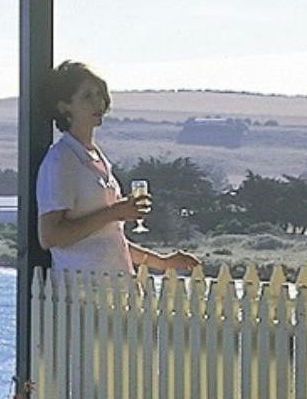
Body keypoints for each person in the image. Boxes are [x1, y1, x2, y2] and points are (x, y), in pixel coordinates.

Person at [35, 60, 201, 277]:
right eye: (87, 96)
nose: (98, 102)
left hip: (114, 289)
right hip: (83, 292)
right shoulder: (61, 160)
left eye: (99, 94)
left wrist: (160, 262)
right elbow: (50, 236)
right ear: (64, 106)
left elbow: (107, 238)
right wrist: (114, 212)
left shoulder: (97, 158)